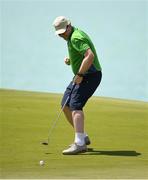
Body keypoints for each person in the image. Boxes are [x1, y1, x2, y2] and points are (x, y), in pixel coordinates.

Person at [53, 16, 102, 155]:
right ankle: (83, 137)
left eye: (63, 31)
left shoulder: (75, 37)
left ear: (69, 25)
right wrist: (71, 60)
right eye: (59, 33)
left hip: (89, 76)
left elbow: (89, 56)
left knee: (75, 105)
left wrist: (80, 75)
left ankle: (79, 143)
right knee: (65, 104)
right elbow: (82, 55)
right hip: (82, 75)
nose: (61, 35)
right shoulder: (71, 36)